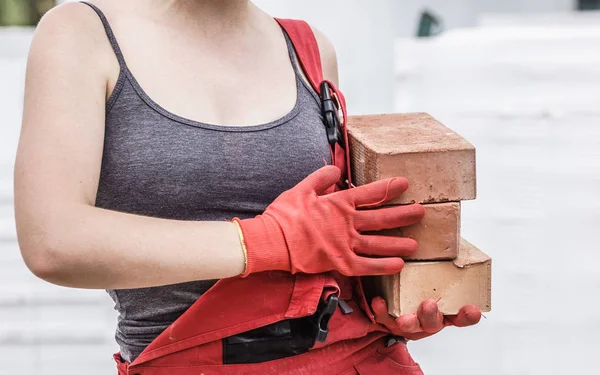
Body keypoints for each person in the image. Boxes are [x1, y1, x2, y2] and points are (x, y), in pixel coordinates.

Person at [14, 1, 481, 373]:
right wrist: (268, 240)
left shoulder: (310, 49)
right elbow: (53, 241)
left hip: (358, 360)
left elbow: (327, 236)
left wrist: (379, 303)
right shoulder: (81, 34)